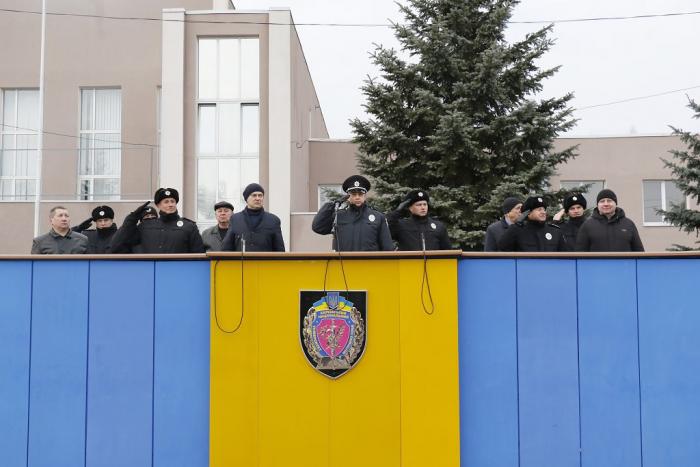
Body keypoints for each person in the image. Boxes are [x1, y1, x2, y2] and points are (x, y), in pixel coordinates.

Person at [312, 175, 393, 252]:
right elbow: (317, 227)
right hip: (344, 261)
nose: (357, 197)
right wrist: (333, 204)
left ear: (364, 196)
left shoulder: (378, 217)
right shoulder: (339, 216)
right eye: (354, 194)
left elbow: (388, 247)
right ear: (348, 197)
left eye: (360, 194)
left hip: (370, 262)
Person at [110, 188, 205, 253]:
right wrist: (132, 218)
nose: (170, 204)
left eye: (172, 201)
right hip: (150, 274)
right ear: (158, 205)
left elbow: (199, 254)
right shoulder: (145, 226)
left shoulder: (188, 226)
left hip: (178, 273)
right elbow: (116, 245)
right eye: (166, 202)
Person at [221, 183, 285, 252]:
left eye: (260, 195)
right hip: (242, 259)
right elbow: (226, 248)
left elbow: (280, 250)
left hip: (265, 259)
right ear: (246, 198)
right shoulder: (235, 219)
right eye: (254, 195)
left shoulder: (273, 220)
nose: (257, 198)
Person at [576, 189, 644, 252]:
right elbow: (580, 253)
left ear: (615, 203)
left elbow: (639, 252)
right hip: (596, 262)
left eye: (609, 201)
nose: (606, 204)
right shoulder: (587, 225)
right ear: (597, 205)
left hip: (624, 262)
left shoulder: (628, 224)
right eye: (602, 201)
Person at [386, 189, 451, 250]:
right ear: (410, 208)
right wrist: (397, 212)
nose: (423, 207)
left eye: (425, 204)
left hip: (432, 259)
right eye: (419, 205)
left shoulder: (438, 226)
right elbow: (386, 232)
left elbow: (447, 250)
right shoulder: (401, 225)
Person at [498, 195, 566, 252]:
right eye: (539, 210)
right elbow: (502, 248)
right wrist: (516, 225)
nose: (543, 212)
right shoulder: (517, 230)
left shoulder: (554, 231)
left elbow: (564, 255)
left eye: (544, 209)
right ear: (528, 213)